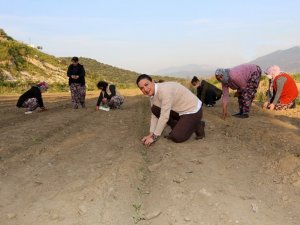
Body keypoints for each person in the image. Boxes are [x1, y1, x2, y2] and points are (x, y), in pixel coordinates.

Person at [136, 74, 205, 146]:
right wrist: (151, 133)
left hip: (192, 110)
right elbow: (154, 115)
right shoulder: (152, 94)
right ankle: (181, 126)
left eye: (146, 84)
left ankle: (197, 124)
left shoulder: (164, 91)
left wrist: (154, 137)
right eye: (142, 88)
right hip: (179, 110)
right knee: (155, 109)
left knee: (177, 137)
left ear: (152, 81)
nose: (145, 89)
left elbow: (164, 116)